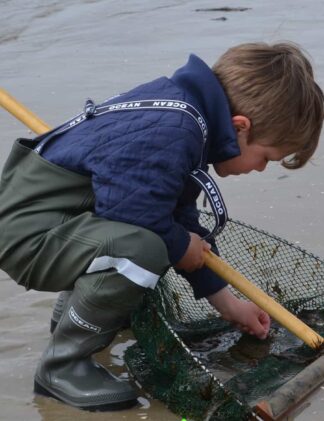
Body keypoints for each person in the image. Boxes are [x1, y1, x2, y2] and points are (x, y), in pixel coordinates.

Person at [0, 42, 323, 412]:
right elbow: (132, 211)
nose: (261, 169)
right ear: (240, 127)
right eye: (266, 158)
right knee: (146, 248)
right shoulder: (173, 130)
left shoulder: (185, 112)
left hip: (59, 222)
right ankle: (62, 368)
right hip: (29, 236)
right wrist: (179, 245)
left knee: (162, 237)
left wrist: (227, 303)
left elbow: (176, 212)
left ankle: (74, 316)